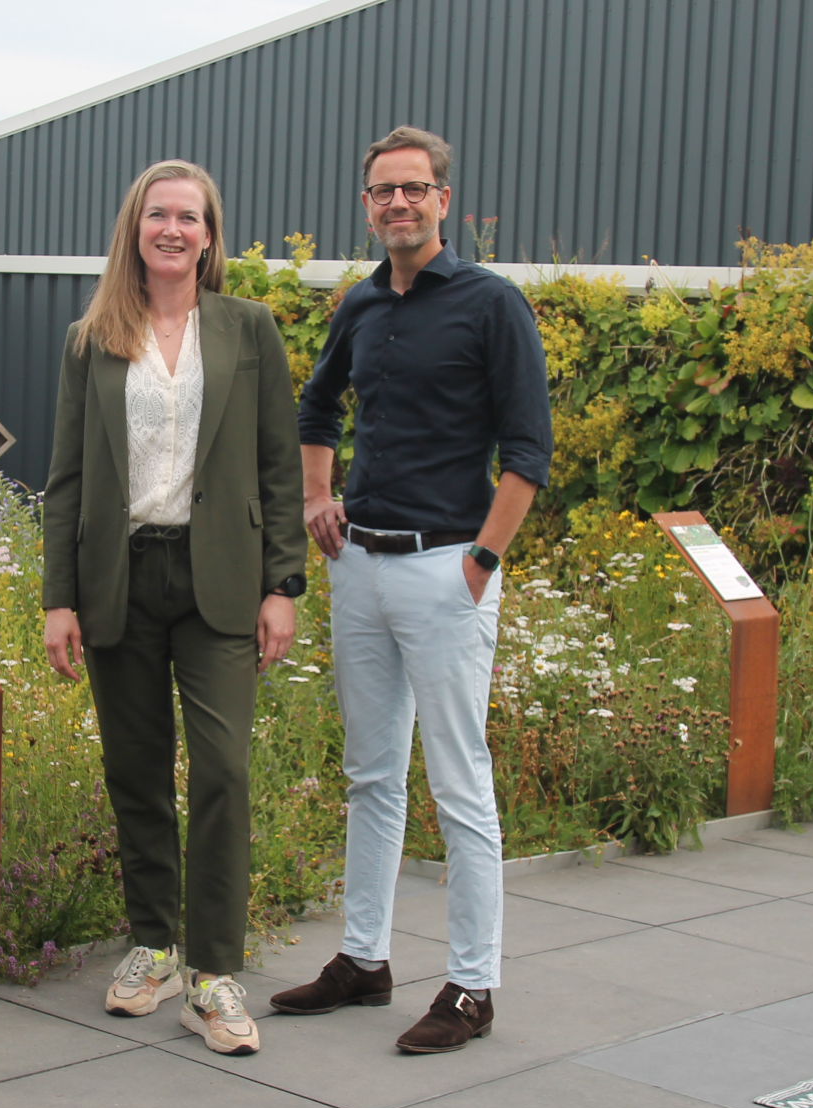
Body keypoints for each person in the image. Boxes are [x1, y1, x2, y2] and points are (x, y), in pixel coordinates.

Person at [271, 126, 551, 1054]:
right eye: (384, 191)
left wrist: (482, 564)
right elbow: (315, 409)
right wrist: (320, 495)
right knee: (371, 775)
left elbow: (528, 453)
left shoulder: (490, 305)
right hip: (363, 567)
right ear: (368, 204)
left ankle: (472, 986)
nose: (399, 203)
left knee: (460, 782)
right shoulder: (359, 305)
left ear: (443, 200)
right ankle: (365, 959)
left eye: (415, 190)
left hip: (446, 570)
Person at [42, 160, 307, 1056]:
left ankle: (214, 972)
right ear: (136, 228)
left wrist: (284, 584)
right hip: (120, 578)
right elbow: (67, 482)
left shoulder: (249, 331)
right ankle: (151, 945)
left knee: (224, 770)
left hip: (219, 580)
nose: (173, 229)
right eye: (158, 214)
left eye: (188, 217)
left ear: (209, 233)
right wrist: (57, 601)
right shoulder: (93, 339)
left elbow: (280, 467)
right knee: (138, 771)